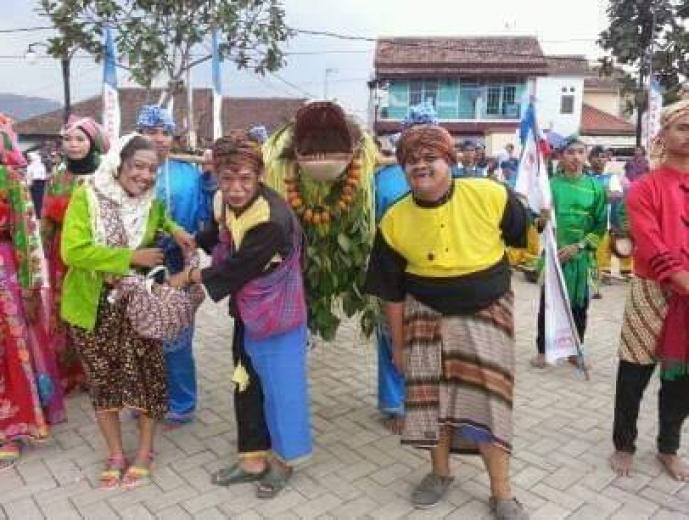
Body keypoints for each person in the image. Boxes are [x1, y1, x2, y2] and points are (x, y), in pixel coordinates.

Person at [365, 125, 529, 518]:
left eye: (430, 158)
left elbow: (520, 234)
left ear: (449, 161)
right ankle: (440, 473)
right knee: (429, 404)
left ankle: (502, 492)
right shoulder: (394, 220)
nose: (420, 166)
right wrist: (399, 346)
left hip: (486, 316)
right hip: (423, 317)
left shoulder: (490, 194)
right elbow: (391, 294)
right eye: (411, 161)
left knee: (491, 404)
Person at [169, 135, 312, 498]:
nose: (235, 189)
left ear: (259, 175)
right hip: (249, 311)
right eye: (227, 178)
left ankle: (284, 461)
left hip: (277, 315)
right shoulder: (226, 201)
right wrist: (194, 239)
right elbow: (222, 232)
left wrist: (188, 276)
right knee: (245, 381)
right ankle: (252, 460)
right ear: (216, 174)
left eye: (245, 179)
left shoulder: (272, 219)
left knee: (281, 389)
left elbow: (237, 267)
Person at [61, 133, 194, 488]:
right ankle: (116, 453)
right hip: (94, 308)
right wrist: (130, 257)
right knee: (103, 382)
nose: (145, 176)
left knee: (148, 376)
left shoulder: (150, 202)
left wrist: (176, 230)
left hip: (139, 306)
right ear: (118, 164)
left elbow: (161, 216)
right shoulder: (88, 196)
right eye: (138, 166)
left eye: (152, 169)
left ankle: (145, 451)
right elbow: (72, 251)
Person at [609, 91, 689, 482]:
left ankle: (668, 448)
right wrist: (678, 276)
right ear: (664, 134)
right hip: (651, 289)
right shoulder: (645, 186)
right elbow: (649, 238)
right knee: (634, 371)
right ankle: (624, 444)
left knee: (682, 378)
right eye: (683, 127)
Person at [136, 105, 215, 426]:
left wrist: (209, 180)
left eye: (165, 132)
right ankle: (146, 397)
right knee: (140, 334)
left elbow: (208, 214)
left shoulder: (188, 172)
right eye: (151, 132)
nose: (159, 139)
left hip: (177, 263)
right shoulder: (127, 172)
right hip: (137, 262)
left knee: (176, 336)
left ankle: (182, 402)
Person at [0, 114, 65, 470]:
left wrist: (29, 286)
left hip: (4, 273)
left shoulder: (9, 178)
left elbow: (26, 234)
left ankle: (11, 427)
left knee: (9, 349)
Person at [42, 116, 109, 395]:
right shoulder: (57, 177)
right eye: (68, 139)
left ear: (92, 143)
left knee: (95, 310)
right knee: (64, 311)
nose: (73, 144)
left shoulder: (106, 176)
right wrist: (41, 256)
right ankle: (68, 373)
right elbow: (46, 218)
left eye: (80, 139)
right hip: (61, 256)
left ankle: (98, 373)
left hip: (94, 254)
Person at [530, 136, 607, 368]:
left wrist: (579, 246)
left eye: (580, 152)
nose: (576, 157)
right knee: (548, 303)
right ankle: (544, 350)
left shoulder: (596, 188)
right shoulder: (549, 186)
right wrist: (542, 220)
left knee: (580, 306)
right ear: (561, 157)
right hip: (554, 255)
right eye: (570, 152)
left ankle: (575, 350)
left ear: (586, 156)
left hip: (581, 257)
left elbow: (600, 226)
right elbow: (537, 223)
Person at [588, 146, 631, 290]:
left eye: (602, 157)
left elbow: (617, 194)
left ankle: (605, 272)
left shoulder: (611, 177)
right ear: (590, 159)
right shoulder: (585, 177)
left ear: (606, 159)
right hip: (587, 219)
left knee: (605, 245)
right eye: (596, 156)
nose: (600, 160)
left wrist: (601, 195)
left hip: (605, 219)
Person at [26, 151, 48, 217]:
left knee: (37, 200)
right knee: (35, 200)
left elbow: (36, 176)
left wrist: (30, 183)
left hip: (37, 183)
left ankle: (38, 214)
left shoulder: (38, 165)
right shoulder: (32, 165)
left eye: (29, 157)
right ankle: (37, 213)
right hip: (35, 184)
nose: (28, 159)